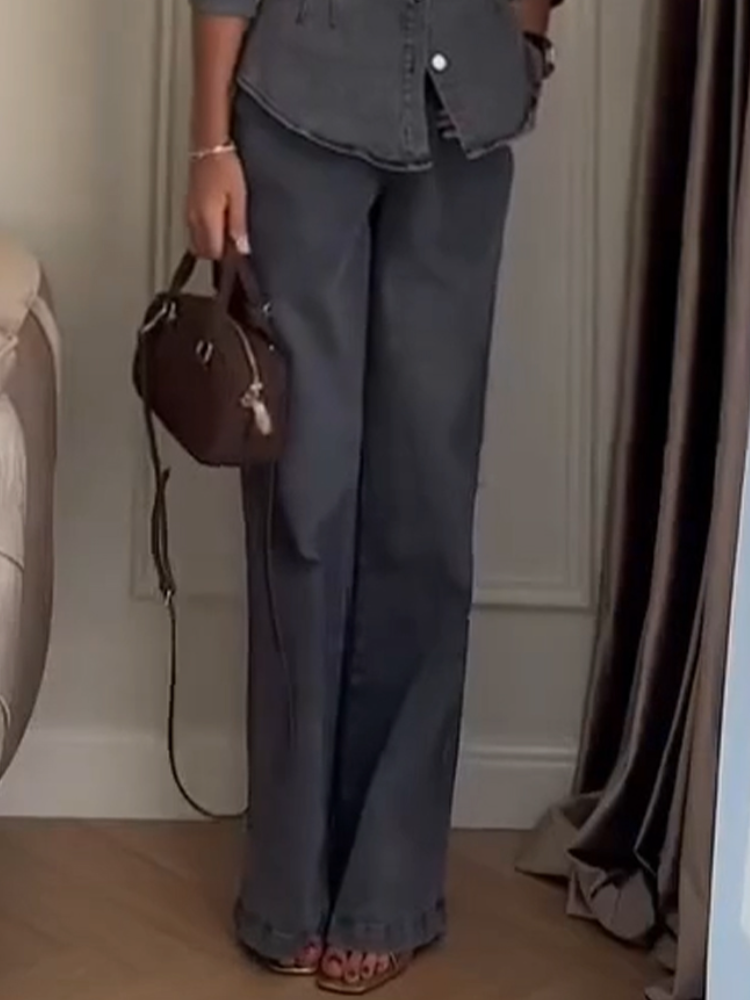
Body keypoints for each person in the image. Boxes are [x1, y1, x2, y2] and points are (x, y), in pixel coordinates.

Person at [186, 0, 560, 992]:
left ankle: (390, 891)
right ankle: (286, 888)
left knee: (427, 507)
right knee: (303, 502)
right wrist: (211, 142)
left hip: (466, 116)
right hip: (295, 112)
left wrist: (528, 40)